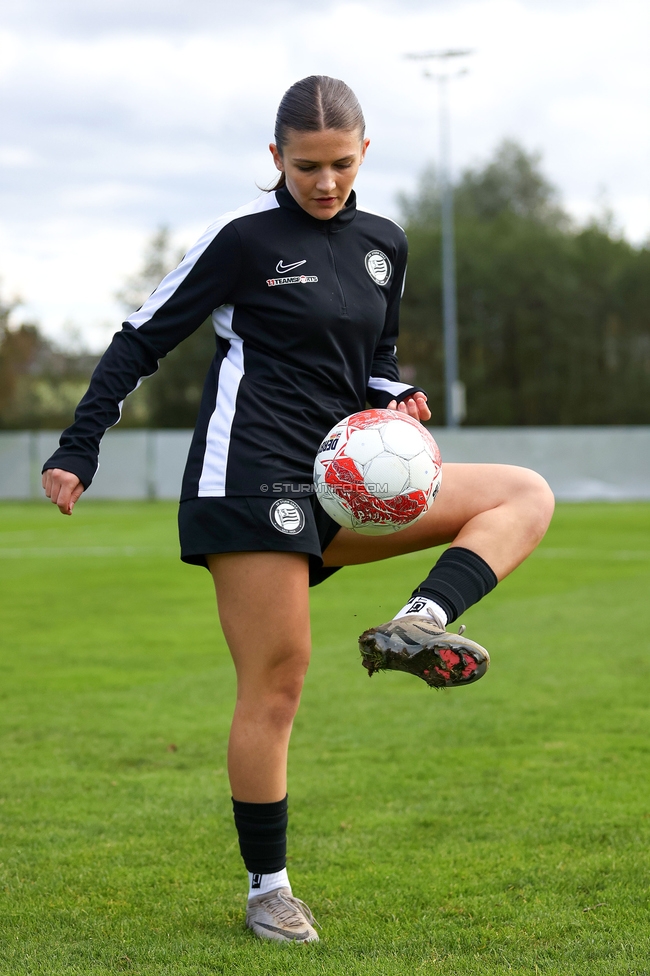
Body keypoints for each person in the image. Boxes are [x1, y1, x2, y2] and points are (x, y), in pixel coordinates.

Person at [42, 75, 554, 944]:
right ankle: (268, 892)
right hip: (247, 482)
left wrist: (398, 393)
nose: (325, 183)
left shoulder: (383, 243)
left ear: (365, 154)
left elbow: (374, 357)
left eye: (341, 165)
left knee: (522, 493)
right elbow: (141, 337)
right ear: (275, 158)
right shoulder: (242, 240)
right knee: (277, 686)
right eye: (307, 166)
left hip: (342, 481)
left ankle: (421, 623)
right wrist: (79, 445)